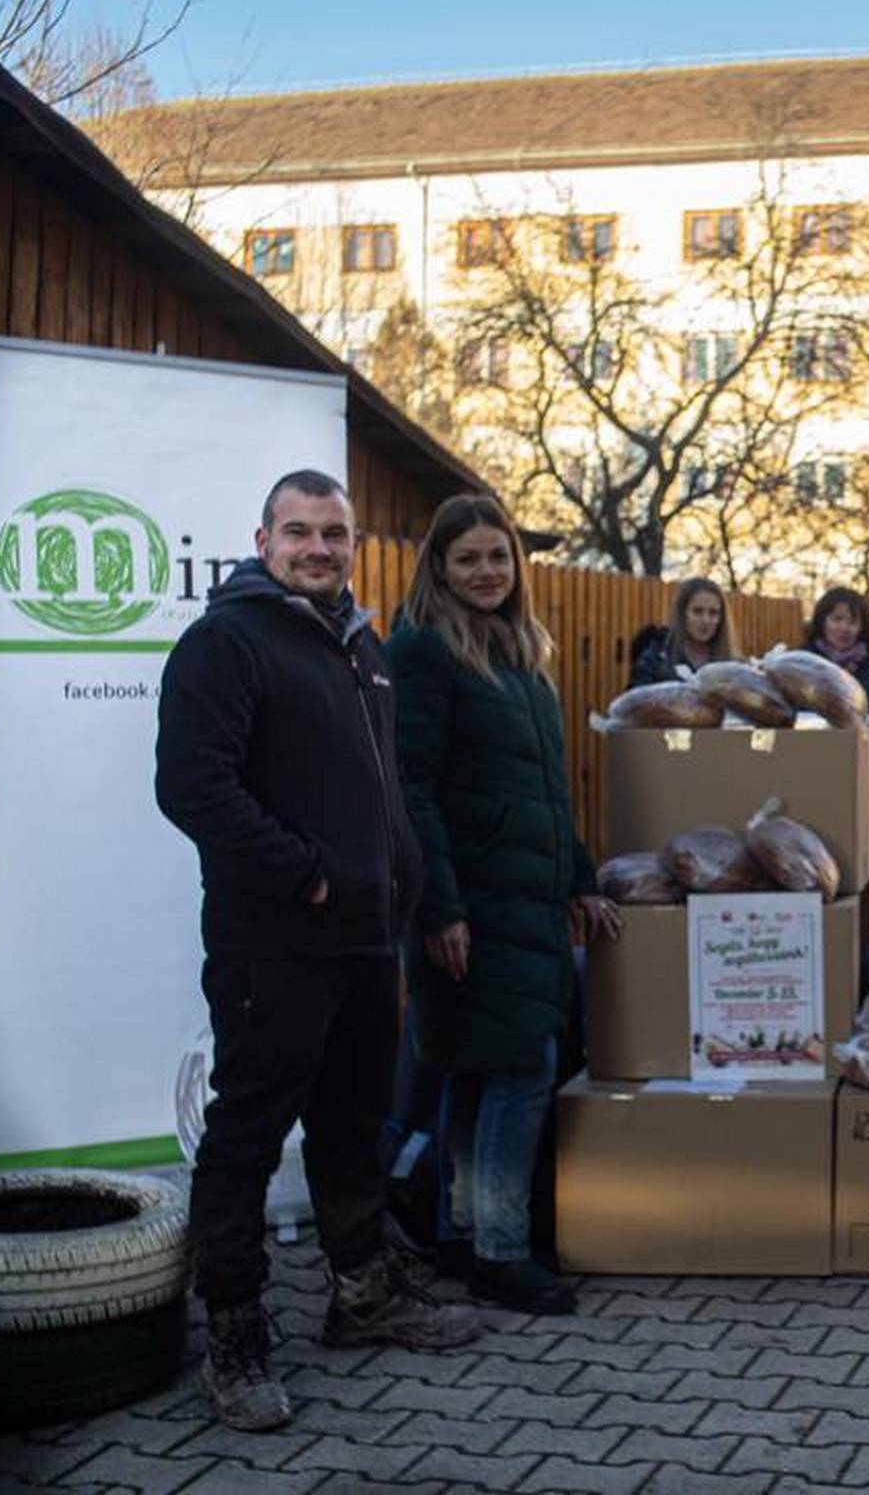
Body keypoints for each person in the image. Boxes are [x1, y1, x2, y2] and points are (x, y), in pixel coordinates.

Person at [155, 469, 479, 1435]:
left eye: (333, 534)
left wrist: (405, 881)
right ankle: (237, 1332)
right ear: (263, 543)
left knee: (350, 1126)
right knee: (248, 1137)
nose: (318, 549)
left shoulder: (362, 647)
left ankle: (363, 1295)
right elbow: (193, 790)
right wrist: (308, 876)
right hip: (275, 944)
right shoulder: (226, 643)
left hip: (365, 942)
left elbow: (385, 794)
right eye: (298, 533)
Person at [387, 494, 620, 1317]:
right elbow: (410, 791)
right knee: (518, 1069)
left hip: (522, 903)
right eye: (468, 560)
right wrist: (439, 908)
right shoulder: (421, 651)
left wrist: (580, 877)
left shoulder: (518, 653)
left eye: (498, 557)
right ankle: (499, 1249)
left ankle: (460, 1233)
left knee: (481, 1069)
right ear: (440, 569)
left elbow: (546, 793)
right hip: (472, 907)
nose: (486, 573)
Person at [807, 586, 869, 718]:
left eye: (853, 622)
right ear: (822, 622)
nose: (844, 628)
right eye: (837, 619)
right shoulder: (800, 668)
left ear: (862, 629)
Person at [630, 577, 738, 687]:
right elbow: (637, 699)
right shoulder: (655, 659)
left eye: (713, 613)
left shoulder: (733, 664)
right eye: (697, 611)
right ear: (682, 614)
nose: (706, 620)